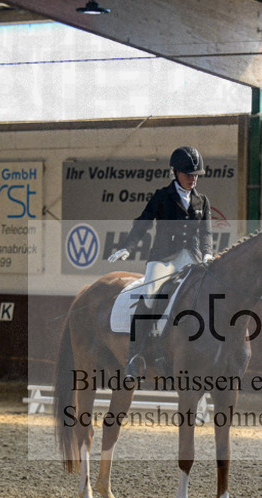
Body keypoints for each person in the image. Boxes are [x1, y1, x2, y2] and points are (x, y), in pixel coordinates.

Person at [110, 146, 214, 378]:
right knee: (150, 294)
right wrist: (128, 246)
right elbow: (143, 223)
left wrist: (207, 253)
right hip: (164, 259)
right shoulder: (162, 196)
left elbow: (206, 234)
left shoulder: (202, 201)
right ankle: (135, 356)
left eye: (196, 175)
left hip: (191, 258)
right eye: (188, 174)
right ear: (175, 172)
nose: (193, 179)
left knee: (204, 293)